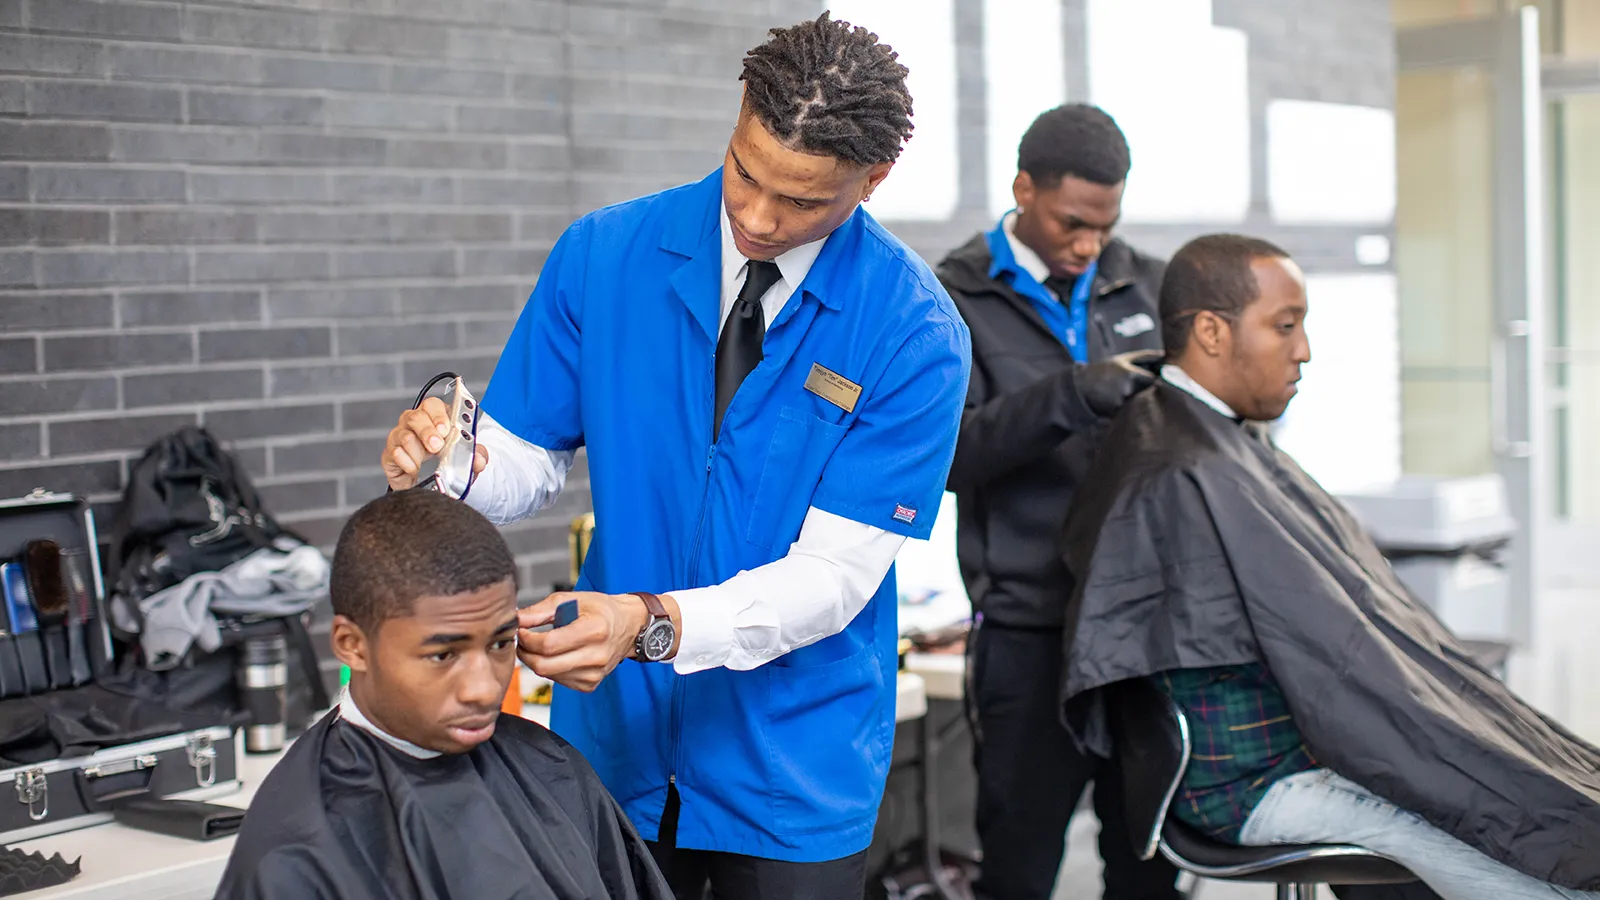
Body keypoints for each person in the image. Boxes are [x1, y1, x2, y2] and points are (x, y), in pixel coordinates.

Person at [379, 13, 970, 900]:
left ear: (873, 180)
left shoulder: (913, 332)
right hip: (615, 745)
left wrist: (650, 623)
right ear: (738, 117)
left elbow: (831, 578)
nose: (758, 218)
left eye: (803, 201)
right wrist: (453, 464)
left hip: (792, 764)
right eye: (745, 173)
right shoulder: (603, 256)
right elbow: (525, 457)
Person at [1059, 234, 1600, 900]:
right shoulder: (1179, 470)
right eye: (1285, 326)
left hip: (1304, 751)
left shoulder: (1214, 440)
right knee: (1523, 849)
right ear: (1211, 332)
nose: (1304, 350)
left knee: (1527, 786)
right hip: (1253, 779)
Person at [934, 103, 1176, 900]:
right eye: (1072, 223)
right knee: (1020, 864)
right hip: (1029, 634)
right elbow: (950, 458)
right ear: (1023, 189)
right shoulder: (953, 299)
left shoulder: (1147, 284)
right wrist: (1070, 395)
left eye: (1105, 225)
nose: (1088, 245)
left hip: (1144, 630)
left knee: (1148, 865)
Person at [214, 489, 673, 900]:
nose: (483, 689)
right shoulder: (297, 852)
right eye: (442, 655)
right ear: (352, 645)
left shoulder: (552, 768)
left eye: (500, 644)